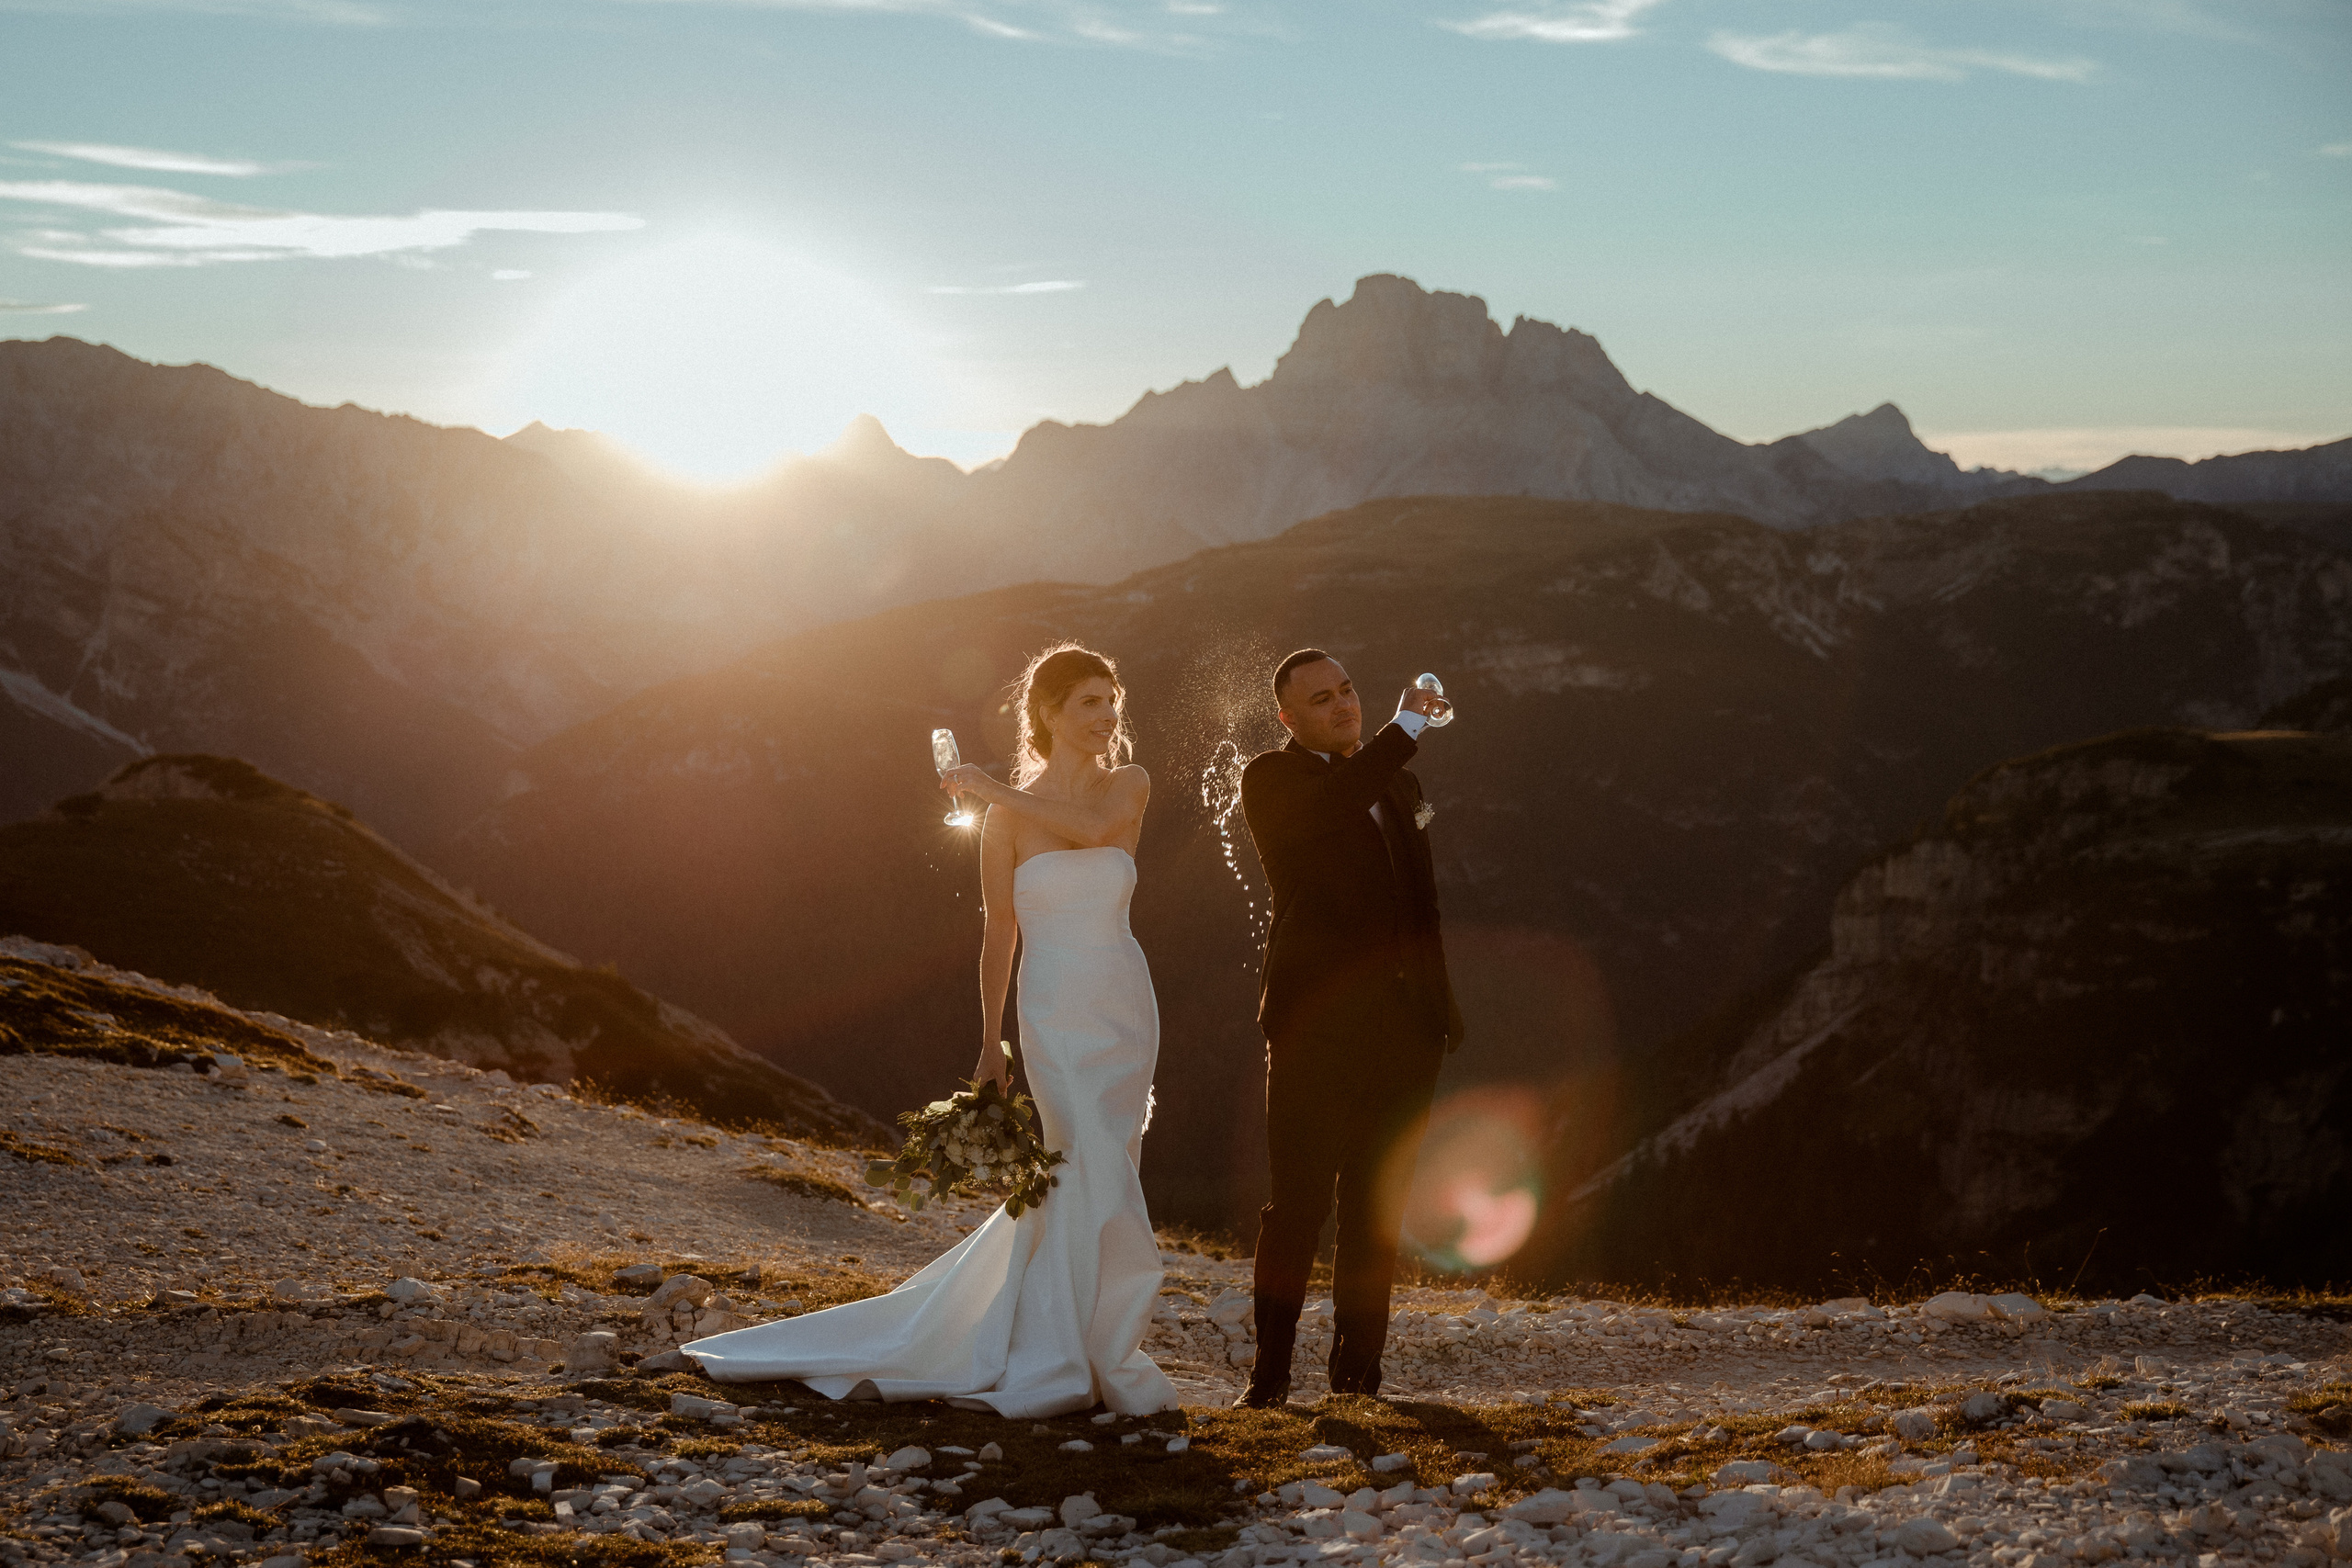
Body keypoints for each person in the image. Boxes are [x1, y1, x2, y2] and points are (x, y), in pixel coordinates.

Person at [682, 643, 1177, 1418]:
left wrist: (995, 790)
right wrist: (990, 1042)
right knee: (1078, 1156)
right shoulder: (1004, 821)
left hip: (1121, 999)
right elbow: (998, 932)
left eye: (1111, 700)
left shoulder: (1127, 785)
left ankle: (1094, 1343)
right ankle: (1076, 1354)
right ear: (1047, 712)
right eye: (1088, 701)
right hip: (1051, 1006)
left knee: (1110, 1158)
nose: (1106, 715)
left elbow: (1093, 829)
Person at [1233, 649, 1463, 1406]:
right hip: (1313, 1029)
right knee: (1297, 1205)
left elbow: (1420, 901)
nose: (1342, 706)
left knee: (1377, 1208)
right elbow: (1334, 808)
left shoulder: (1400, 783)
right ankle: (1268, 1382)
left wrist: (1442, 1010)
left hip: (1404, 1031)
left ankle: (1359, 1380)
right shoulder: (1271, 780)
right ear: (1288, 718)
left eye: (1349, 691)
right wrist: (1404, 724)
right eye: (1322, 699)